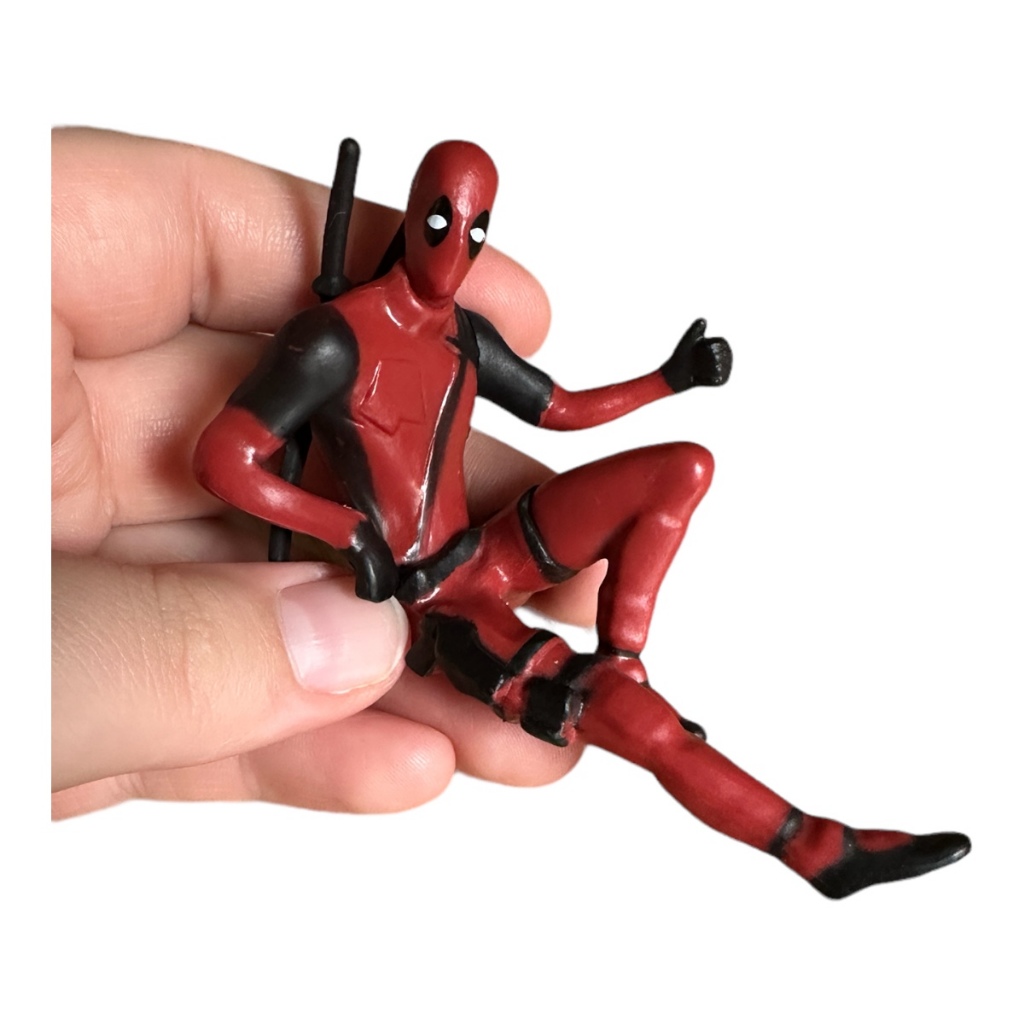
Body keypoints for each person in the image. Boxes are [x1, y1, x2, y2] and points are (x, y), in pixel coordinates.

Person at [51, 128, 587, 819]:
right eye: (439, 224)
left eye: (475, 232)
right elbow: (221, 460)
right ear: (411, 217)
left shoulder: (464, 337)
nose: (455, 252)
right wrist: (345, 529)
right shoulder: (337, 336)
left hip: (464, 559)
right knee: (513, 682)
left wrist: (668, 380)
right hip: (404, 587)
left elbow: (559, 406)